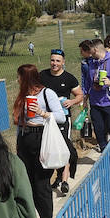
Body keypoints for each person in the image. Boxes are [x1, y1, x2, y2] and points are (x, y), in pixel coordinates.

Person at [11, 64, 67, 218]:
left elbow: (61, 116)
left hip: (41, 138)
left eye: (19, 76)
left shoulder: (46, 93)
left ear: (26, 77)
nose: (17, 80)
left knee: (41, 183)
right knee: (26, 182)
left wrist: (42, 113)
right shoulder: (22, 96)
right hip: (25, 138)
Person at [36, 50, 83, 196]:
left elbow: (80, 95)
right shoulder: (42, 76)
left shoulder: (69, 78)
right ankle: (56, 178)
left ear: (63, 62)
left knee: (63, 148)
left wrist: (72, 101)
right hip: (45, 119)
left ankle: (64, 181)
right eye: (52, 60)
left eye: (57, 61)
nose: (54, 63)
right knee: (50, 149)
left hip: (62, 119)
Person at [81, 39, 110, 149]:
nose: (89, 53)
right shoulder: (92, 62)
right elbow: (88, 82)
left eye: (90, 50)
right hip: (95, 103)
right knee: (99, 131)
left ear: (96, 49)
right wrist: (85, 98)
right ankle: (104, 153)